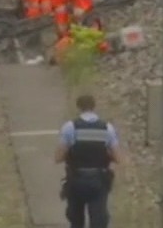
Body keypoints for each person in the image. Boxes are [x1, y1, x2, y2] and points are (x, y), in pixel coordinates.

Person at [55, 94, 122, 228]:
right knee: (98, 220)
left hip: (76, 180)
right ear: (94, 106)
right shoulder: (107, 128)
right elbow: (118, 158)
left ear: (78, 107)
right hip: (98, 180)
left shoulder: (70, 127)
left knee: (76, 219)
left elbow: (58, 157)